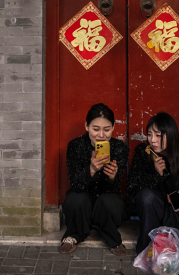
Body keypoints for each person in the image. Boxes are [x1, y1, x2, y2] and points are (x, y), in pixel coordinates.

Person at [127, 112, 179, 258]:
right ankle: (149, 246)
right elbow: (132, 186)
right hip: (155, 210)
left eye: (158, 135)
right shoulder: (143, 152)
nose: (153, 140)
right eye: (149, 134)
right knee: (146, 196)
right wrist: (155, 174)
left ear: (171, 135)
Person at [59, 103, 130, 257]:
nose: (101, 135)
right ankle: (74, 235)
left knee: (112, 201)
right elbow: (76, 185)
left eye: (107, 129)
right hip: (83, 204)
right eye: (95, 129)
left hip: (104, 204)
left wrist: (112, 177)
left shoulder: (119, 148)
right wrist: (91, 170)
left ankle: (111, 237)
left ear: (113, 128)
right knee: (76, 199)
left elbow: (113, 190)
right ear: (87, 126)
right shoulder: (75, 145)